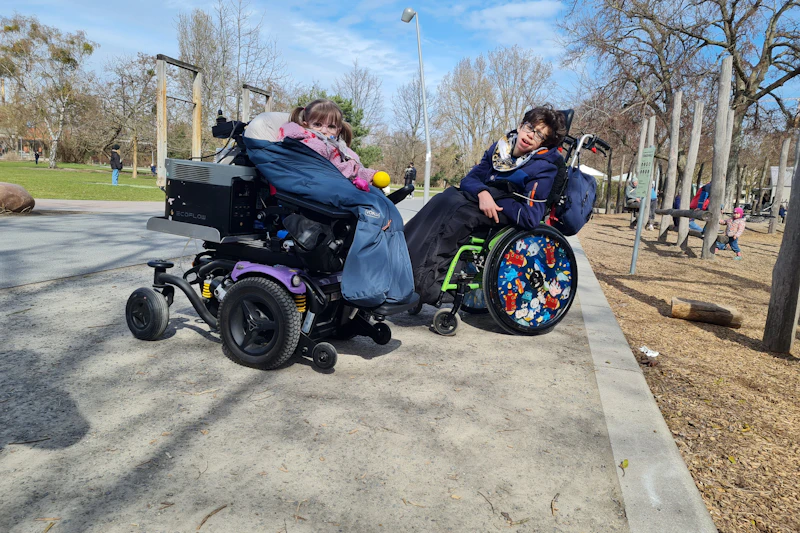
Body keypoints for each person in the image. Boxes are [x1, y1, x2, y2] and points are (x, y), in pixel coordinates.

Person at [404, 105, 567, 305]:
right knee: (445, 198)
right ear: (520, 125)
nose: (531, 135)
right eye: (529, 127)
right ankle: (400, 264)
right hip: (479, 201)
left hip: (504, 214)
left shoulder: (544, 168)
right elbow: (470, 179)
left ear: (545, 143)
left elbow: (530, 216)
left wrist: (493, 197)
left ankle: (424, 283)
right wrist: (483, 192)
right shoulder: (500, 150)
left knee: (458, 214)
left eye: (540, 135)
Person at [278, 99, 376, 191]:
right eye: (317, 125)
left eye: (331, 127)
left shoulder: (341, 148)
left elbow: (351, 167)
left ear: (338, 130)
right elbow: (337, 170)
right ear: (305, 125)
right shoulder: (311, 143)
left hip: (332, 186)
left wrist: (368, 175)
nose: (324, 131)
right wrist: (364, 174)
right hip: (316, 187)